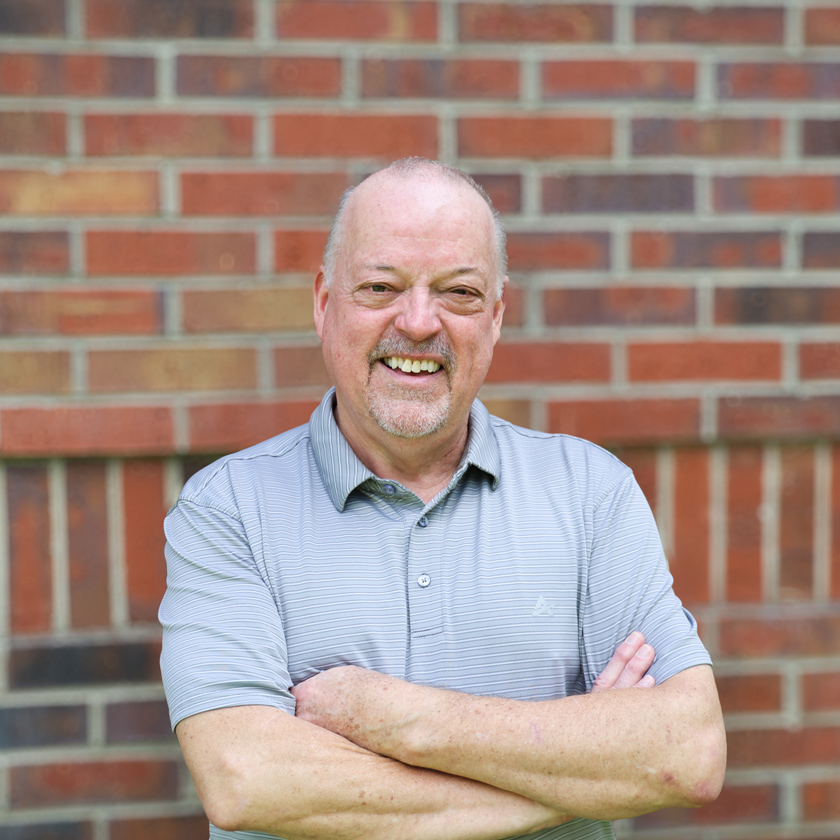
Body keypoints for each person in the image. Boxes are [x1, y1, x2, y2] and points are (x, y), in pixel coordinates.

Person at [160, 157, 726, 840]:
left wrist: (393, 717)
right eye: (380, 287)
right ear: (322, 302)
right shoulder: (228, 511)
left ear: (496, 316)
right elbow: (247, 780)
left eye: (458, 292)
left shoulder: (590, 493)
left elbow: (689, 752)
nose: (420, 322)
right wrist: (583, 780)